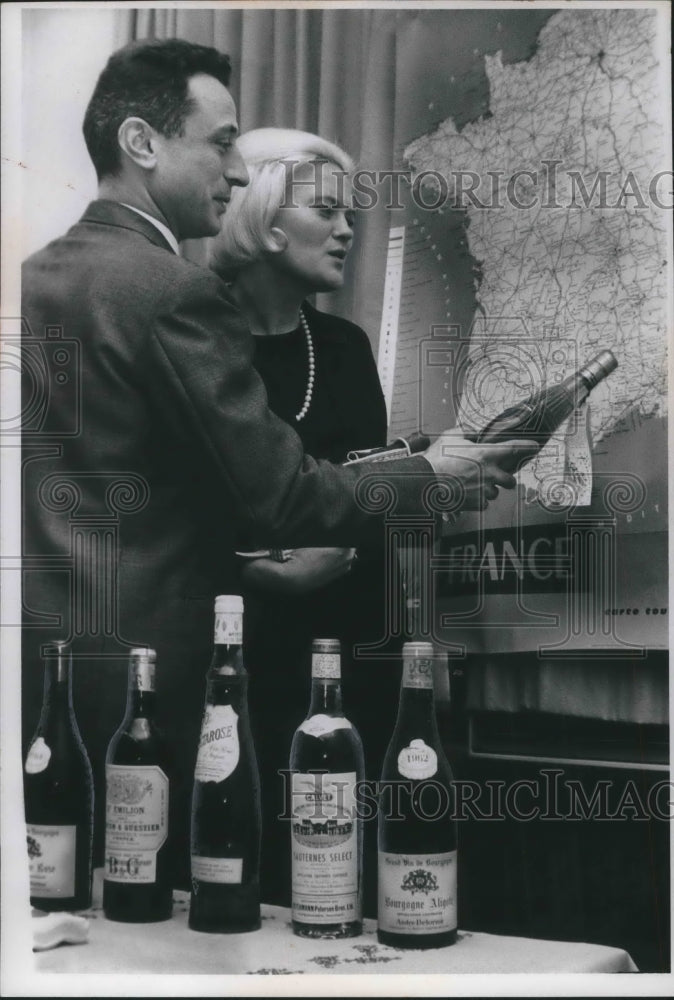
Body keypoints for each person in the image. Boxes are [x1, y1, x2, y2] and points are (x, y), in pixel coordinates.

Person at [21, 39, 537, 890]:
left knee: (71, 916)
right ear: (143, 143)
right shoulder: (169, 291)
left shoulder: (35, 278)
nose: (232, 168)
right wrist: (433, 475)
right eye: (220, 142)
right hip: (159, 689)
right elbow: (281, 495)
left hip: (48, 674)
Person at [210, 127, 404, 911]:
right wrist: (251, 574)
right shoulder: (192, 339)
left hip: (351, 660)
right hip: (231, 659)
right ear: (265, 220)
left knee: (340, 879)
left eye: (350, 213)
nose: (350, 229)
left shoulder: (347, 347)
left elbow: (367, 498)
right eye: (327, 210)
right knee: (237, 872)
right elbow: (161, 518)